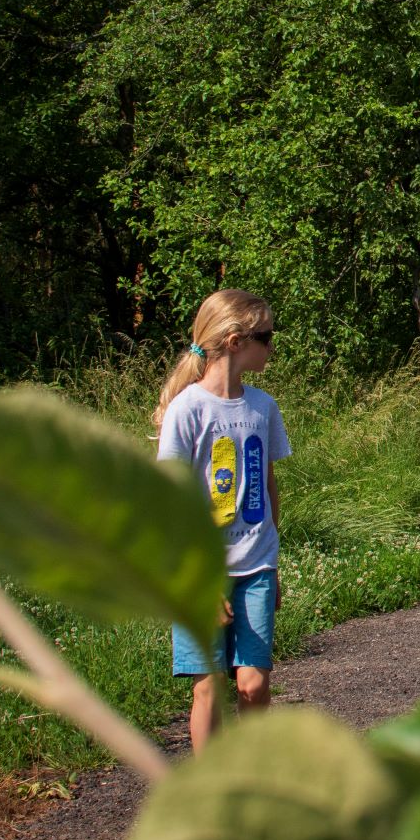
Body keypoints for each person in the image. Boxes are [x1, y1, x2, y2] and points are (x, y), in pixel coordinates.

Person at [153, 289, 291, 752]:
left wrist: (274, 563)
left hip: (256, 567)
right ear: (236, 340)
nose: (272, 347)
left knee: (253, 685)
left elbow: (268, 484)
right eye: (266, 337)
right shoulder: (187, 410)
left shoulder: (263, 408)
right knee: (208, 686)